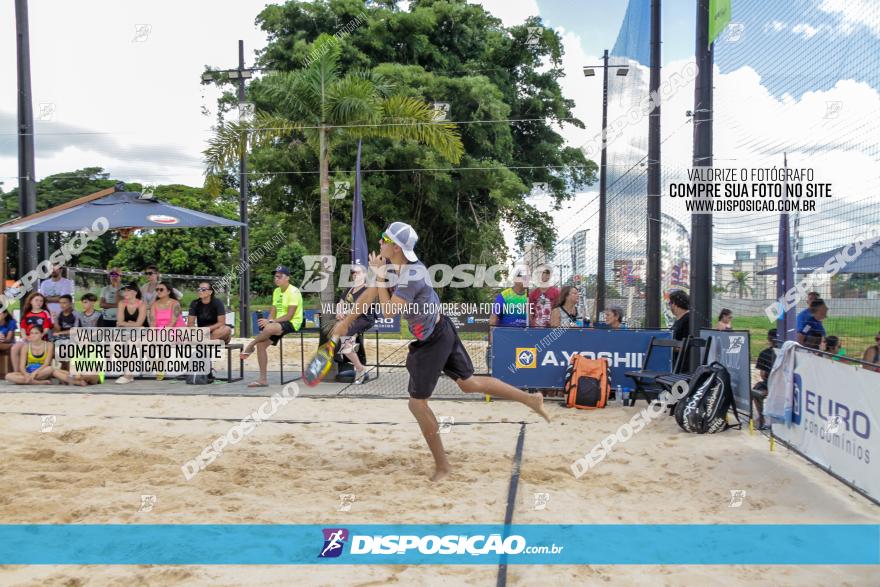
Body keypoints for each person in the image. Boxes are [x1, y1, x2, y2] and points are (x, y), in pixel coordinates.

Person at [331, 221, 549, 482]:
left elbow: (389, 311)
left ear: (396, 247)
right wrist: (346, 322)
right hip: (440, 329)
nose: (379, 243)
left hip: (432, 339)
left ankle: (443, 467)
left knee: (417, 404)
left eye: (383, 238)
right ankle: (529, 399)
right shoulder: (391, 267)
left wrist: (377, 276)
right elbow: (368, 296)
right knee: (470, 383)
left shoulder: (413, 273)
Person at [241, 266, 303, 387]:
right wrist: (268, 320)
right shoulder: (276, 291)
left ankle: (250, 345)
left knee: (268, 328)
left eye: (280, 276)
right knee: (261, 344)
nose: (276, 278)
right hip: (277, 323)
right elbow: (273, 311)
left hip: (292, 322)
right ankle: (263, 380)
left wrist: (270, 322)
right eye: (275, 276)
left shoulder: (294, 291)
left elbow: (290, 316)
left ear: (288, 278)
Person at [335, 265, 376, 384]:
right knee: (346, 346)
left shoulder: (367, 289)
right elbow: (340, 303)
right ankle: (360, 368)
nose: (354, 274)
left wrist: (346, 313)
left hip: (364, 318)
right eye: (353, 273)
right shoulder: (349, 289)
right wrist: (339, 312)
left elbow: (363, 308)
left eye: (357, 272)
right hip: (351, 319)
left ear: (364, 275)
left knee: (346, 342)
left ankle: (360, 369)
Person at [12, 293, 53, 373]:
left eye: (41, 301)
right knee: (14, 348)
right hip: (28, 338)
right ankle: (17, 371)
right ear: (31, 301)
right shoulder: (27, 314)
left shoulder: (45, 313)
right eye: (36, 300)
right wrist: (24, 336)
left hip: (40, 339)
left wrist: (38, 337)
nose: (39, 302)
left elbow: (46, 329)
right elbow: (23, 327)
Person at [116, 283, 147, 384]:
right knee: (115, 345)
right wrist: (131, 324)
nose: (125, 292)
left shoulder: (142, 304)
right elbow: (119, 322)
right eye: (124, 290)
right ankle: (129, 373)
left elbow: (139, 324)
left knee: (131, 344)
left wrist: (128, 324)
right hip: (126, 332)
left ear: (135, 292)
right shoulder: (121, 303)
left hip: (141, 332)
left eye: (128, 290)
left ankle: (127, 375)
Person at [752, 328, 778, 430]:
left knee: (756, 391)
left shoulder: (765, 353)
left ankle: (761, 417)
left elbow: (762, 374)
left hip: (771, 384)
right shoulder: (785, 353)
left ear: (769, 339)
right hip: (782, 384)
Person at [0, 308, 17, 377]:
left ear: (5, 314)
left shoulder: (11, 322)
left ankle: (11, 372)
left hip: (9, 344)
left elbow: (9, 339)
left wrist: (2, 338)